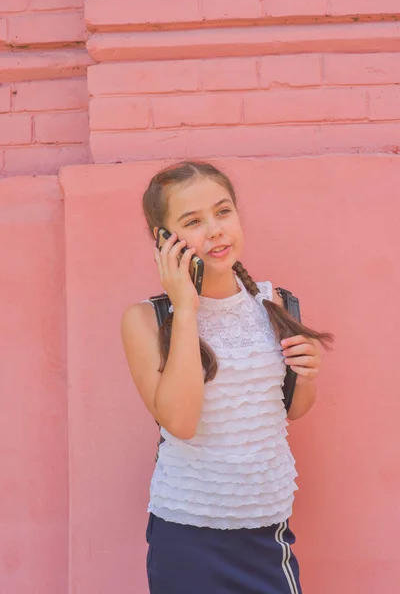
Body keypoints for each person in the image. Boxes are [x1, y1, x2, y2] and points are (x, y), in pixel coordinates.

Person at [121, 161, 334, 594]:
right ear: (163, 241)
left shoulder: (275, 303)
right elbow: (179, 422)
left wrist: (307, 376)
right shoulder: (145, 320)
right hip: (189, 533)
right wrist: (186, 308)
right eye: (193, 221)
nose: (215, 230)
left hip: (266, 527)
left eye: (223, 212)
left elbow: (290, 409)